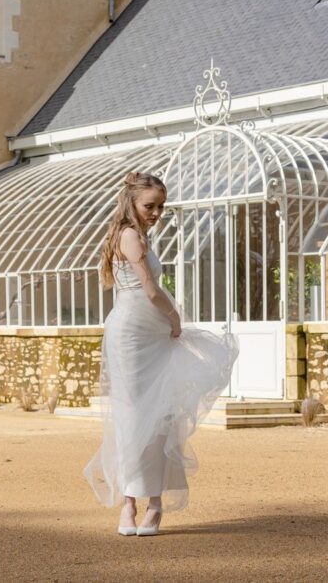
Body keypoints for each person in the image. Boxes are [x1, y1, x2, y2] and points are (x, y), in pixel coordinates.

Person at [84, 172, 237, 536]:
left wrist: (168, 321)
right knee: (134, 414)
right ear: (131, 203)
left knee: (161, 412)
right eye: (149, 206)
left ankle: (153, 504)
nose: (156, 212)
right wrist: (174, 317)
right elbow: (151, 291)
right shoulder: (129, 235)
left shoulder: (139, 235)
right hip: (133, 335)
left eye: (160, 206)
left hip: (152, 332)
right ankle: (130, 505)